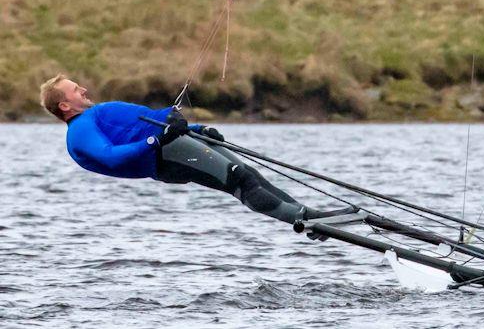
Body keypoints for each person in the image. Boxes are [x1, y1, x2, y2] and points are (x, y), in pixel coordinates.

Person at [39, 74, 355, 230]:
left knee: (249, 174)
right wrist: (157, 142)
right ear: (64, 105)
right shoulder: (79, 132)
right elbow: (111, 155)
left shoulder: (94, 115)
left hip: (176, 144)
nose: (83, 89)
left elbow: (144, 125)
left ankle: (307, 215)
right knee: (238, 179)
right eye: (75, 89)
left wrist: (197, 131)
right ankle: (306, 222)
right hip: (166, 154)